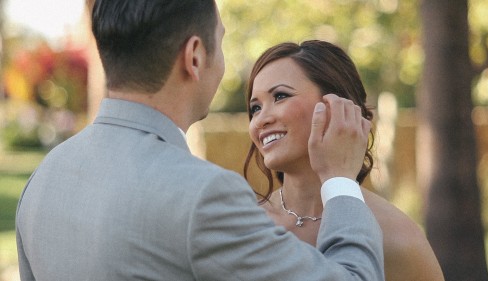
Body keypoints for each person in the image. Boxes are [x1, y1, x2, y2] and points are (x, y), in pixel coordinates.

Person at [15, 1, 384, 280]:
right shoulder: (203, 195)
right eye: (220, 44)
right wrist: (338, 180)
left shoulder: (44, 178)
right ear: (194, 56)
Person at [244, 40, 445, 281]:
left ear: (338, 106)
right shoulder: (246, 225)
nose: (260, 120)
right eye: (255, 108)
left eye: (280, 96)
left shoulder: (397, 237)